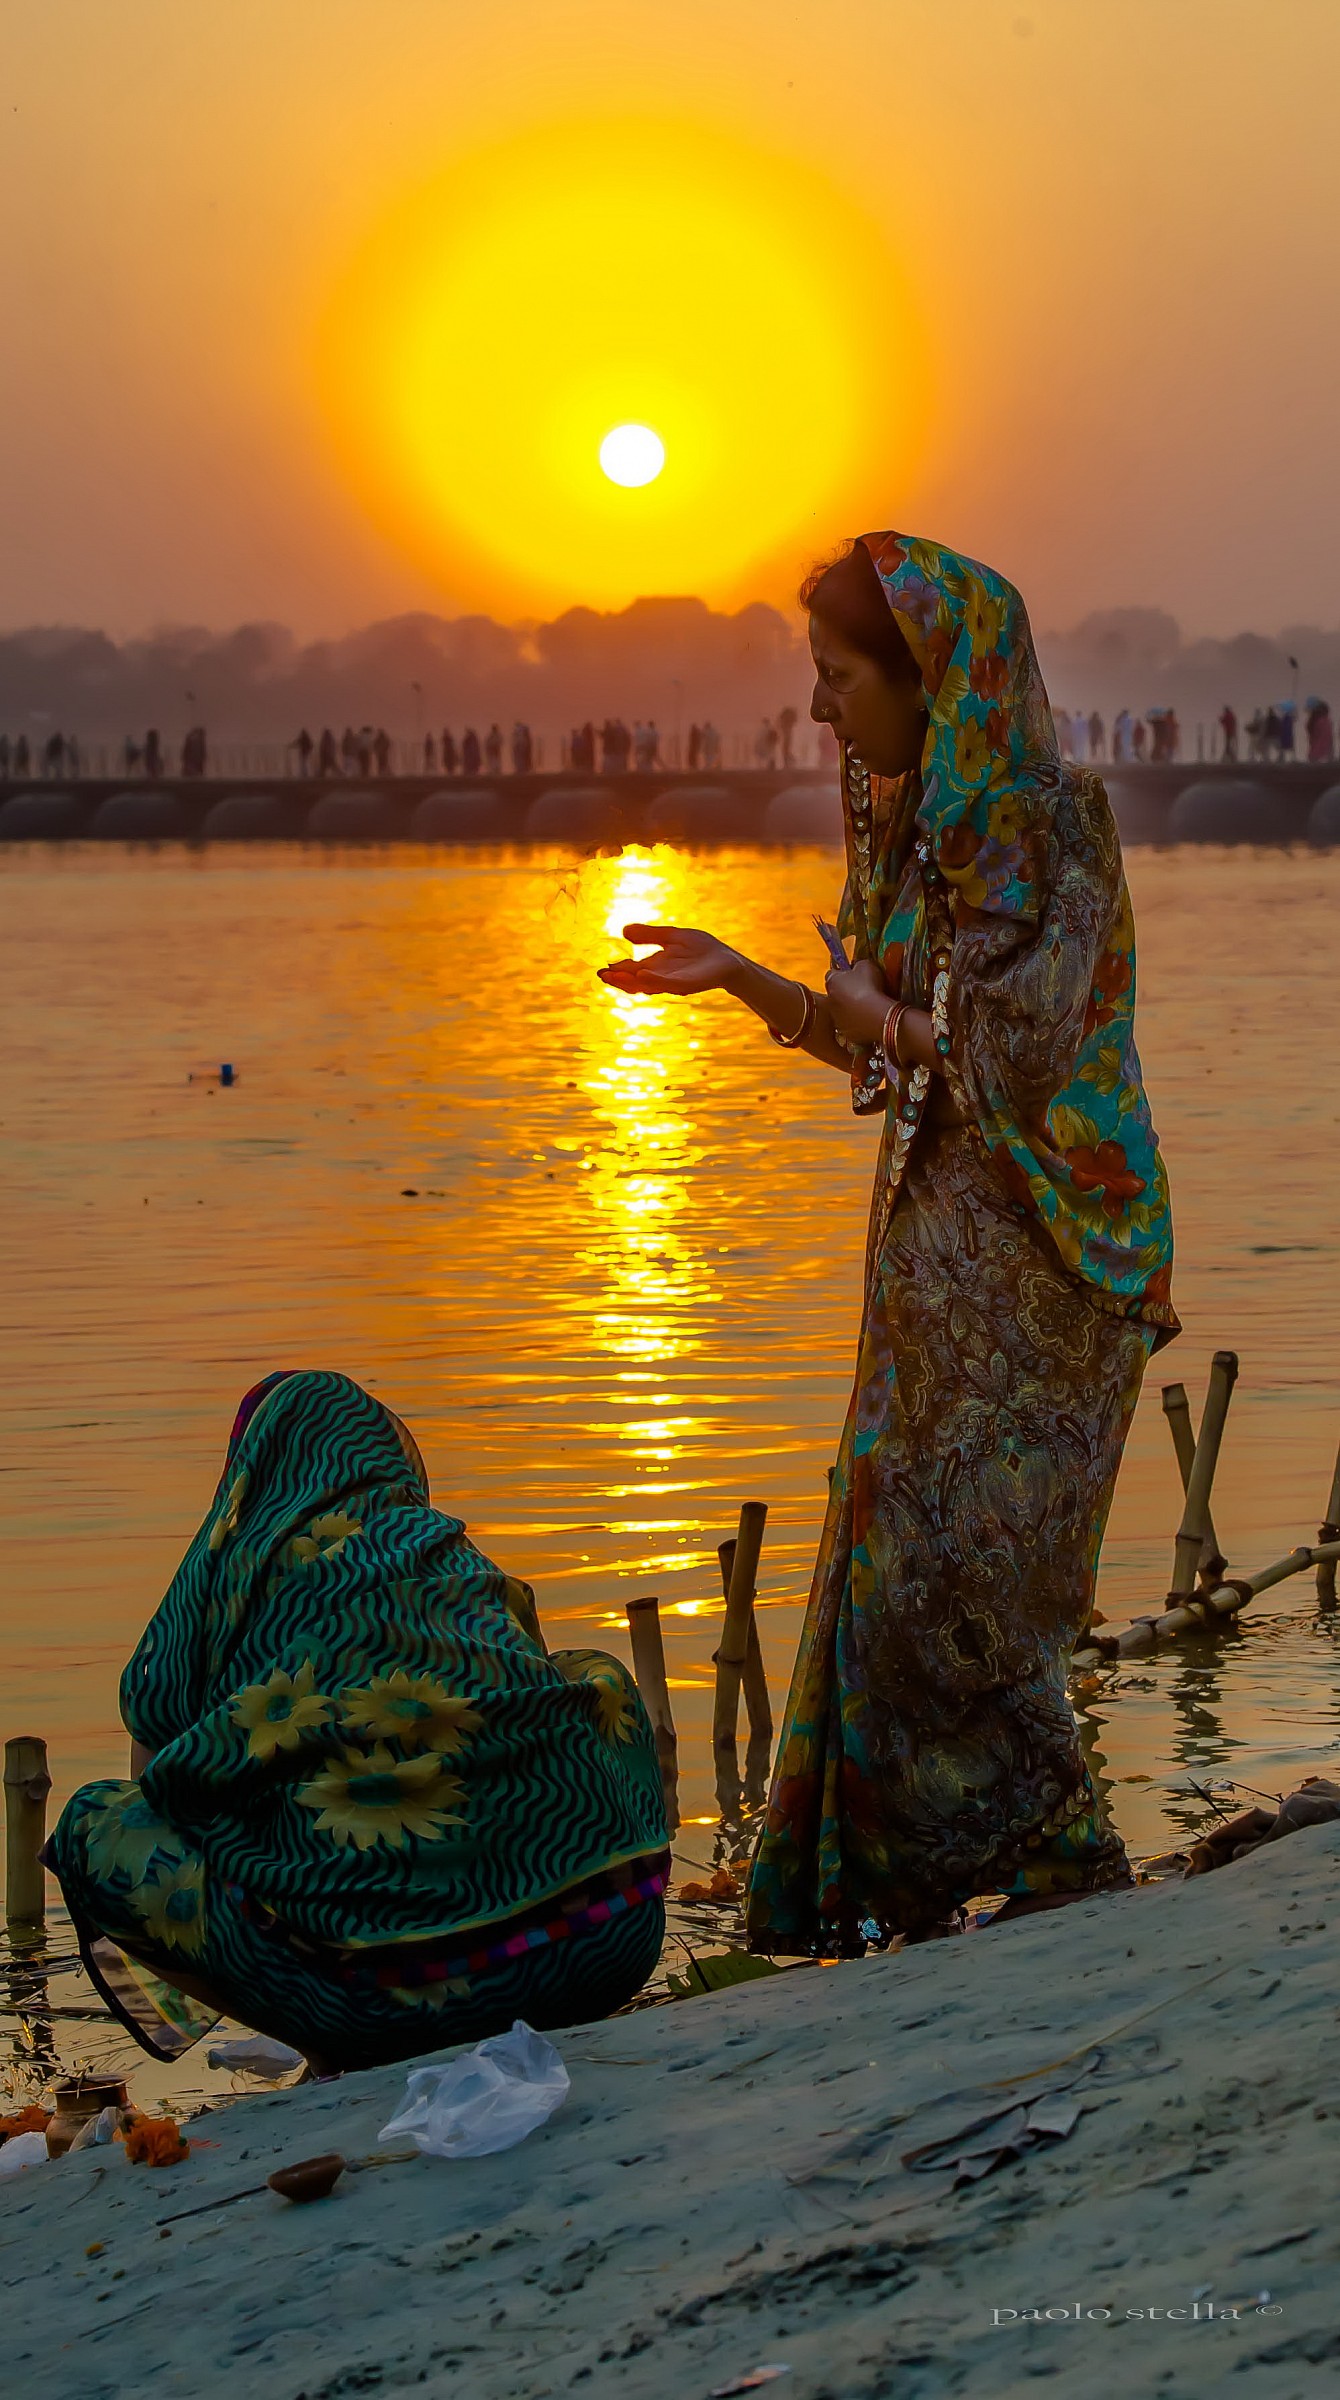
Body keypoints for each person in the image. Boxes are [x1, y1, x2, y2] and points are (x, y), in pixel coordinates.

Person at [600, 531, 1177, 1952]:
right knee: (893, 1545)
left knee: (977, 1571)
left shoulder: (1048, 837)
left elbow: (1009, 1077)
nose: (819, 713)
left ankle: (1053, 1857)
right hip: (933, 1257)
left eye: (839, 678)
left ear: (936, 682)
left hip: (1048, 1263)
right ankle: (899, 1883)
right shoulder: (915, 837)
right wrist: (748, 981)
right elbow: (898, 1064)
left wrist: (868, 1015)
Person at [48, 1371, 668, 2071]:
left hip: (389, 1997)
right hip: (604, 1946)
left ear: (248, 1475)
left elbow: (156, 1741)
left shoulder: (239, 1576)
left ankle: (324, 2047)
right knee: (592, 1670)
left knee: (96, 1826)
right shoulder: (455, 1556)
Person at [1305, 698, 1334, 763]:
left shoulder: (1317, 721)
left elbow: (1324, 739)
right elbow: (1328, 739)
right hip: (1321, 754)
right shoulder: (1323, 721)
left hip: (1317, 754)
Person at [778, 703, 799, 768]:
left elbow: (780, 721)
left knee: (786, 747)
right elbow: (795, 721)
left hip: (786, 731)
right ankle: (789, 761)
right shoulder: (790, 716)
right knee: (786, 747)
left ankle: (788, 762)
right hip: (787, 731)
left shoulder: (786, 715)